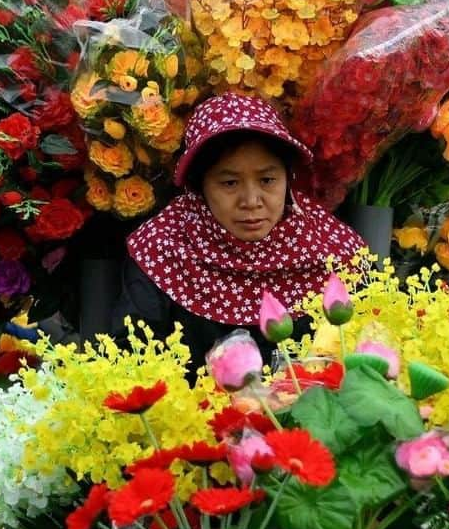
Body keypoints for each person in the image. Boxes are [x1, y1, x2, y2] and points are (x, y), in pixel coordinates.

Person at [112, 93, 366, 370]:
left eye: (268, 180)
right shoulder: (161, 250)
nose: (251, 200)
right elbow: (133, 364)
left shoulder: (333, 250)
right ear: (199, 187)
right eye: (230, 183)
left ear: (288, 178)